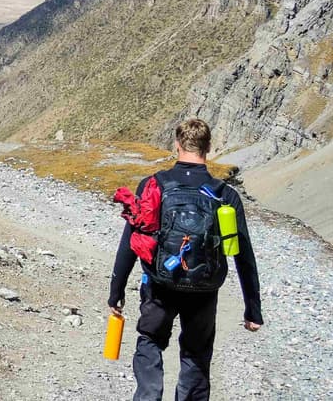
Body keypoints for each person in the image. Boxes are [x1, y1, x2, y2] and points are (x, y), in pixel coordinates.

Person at [108, 118, 263, 401]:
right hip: (204, 291)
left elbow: (131, 241)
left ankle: (149, 396)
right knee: (196, 354)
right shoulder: (225, 195)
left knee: (151, 341)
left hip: (160, 285)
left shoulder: (154, 185)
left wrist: (115, 293)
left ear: (176, 145)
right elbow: (243, 255)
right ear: (209, 148)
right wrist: (253, 309)